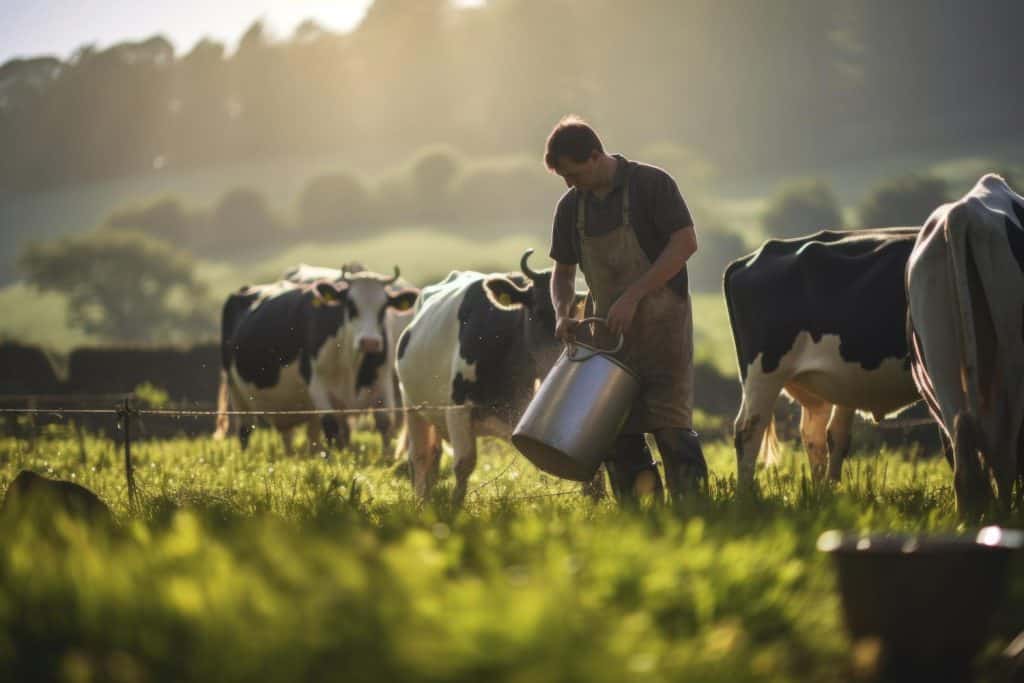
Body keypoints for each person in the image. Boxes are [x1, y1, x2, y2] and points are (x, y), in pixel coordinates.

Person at [545, 115, 707, 503]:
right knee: (617, 433)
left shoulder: (652, 185)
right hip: (607, 337)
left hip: (663, 332)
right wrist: (562, 312)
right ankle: (641, 517)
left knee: (672, 429)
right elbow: (562, 272)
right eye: (564, 178)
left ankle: (697, 515)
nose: (570, 184)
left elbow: (685, 244)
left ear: (596, 156)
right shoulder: (571, 208)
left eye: (573, 173)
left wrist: (633, 296)